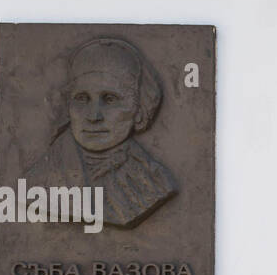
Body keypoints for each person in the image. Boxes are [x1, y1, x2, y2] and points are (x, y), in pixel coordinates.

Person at [23, 37, 177, 229]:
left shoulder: (156, 179)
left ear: (139, 110)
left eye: (110, 99)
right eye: (82, 99)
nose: (94, 116)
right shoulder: (37, 184)